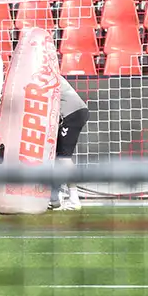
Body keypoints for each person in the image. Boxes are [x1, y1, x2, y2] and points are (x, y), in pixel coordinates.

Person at [52, 75, 90, 211]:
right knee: (56, 157)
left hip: (71, 114)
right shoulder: (44, 70)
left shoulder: (41, 74)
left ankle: (74, 199)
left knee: (63, 158)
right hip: (71, 113)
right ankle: (56, 197)